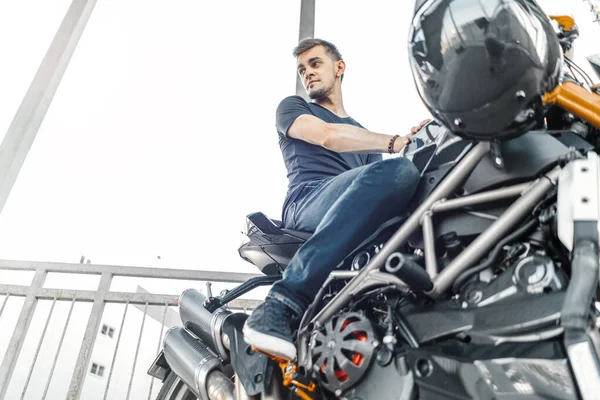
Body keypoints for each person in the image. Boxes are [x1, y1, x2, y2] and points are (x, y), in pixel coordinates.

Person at [242, 38, 427, 361]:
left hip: (347, 203)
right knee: (399, 172)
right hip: (307, 201)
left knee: (410, 193)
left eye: (315, 64)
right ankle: (282, 301)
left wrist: (420, 142)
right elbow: (327, 136)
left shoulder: (364, 136)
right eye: (302, 69)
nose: (308, 74)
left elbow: (379, 194)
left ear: (339, 68)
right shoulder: (294, 107)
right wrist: (397, 142)